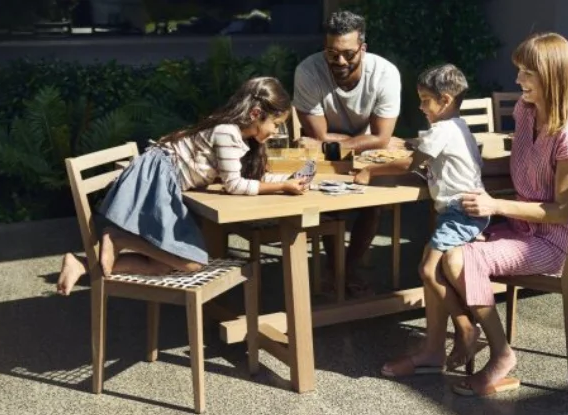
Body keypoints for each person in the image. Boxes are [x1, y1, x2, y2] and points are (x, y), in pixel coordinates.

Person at [380, 32, 568, 397]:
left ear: (552, 76)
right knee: (434, 260)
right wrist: (464, 167)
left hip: (551, 241)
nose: (518, 81)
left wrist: (494, 205)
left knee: (457, 259)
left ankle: (501, 353)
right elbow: (517, 165)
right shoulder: (527, 113)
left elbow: (561, 211)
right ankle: (433, 350)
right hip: (517, 229)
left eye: (527, 73)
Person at [56, 77, 309, 296]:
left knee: (165, 264)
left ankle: (82, 264)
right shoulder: (227, 133)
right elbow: (234, 184)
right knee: (191, 262)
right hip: (159, 179)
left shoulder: (236, 135)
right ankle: (118, 237)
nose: (276, 131)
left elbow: (246, 176)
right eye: (275, 124)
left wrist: (288, 180)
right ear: (255, 114)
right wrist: (283, 187)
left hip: (165, 180)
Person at [356, 63, 489, 372]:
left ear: (444, 100)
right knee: (430, 268)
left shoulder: (442, 130)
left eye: (425, 99)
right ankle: (460, 329)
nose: (420, 106)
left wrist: (368, 170)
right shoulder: (459, 126)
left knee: (428, 270)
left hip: (458, 213)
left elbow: (409, 165)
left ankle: (466, 327)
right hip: (465, 212)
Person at [293, 9, 406, 296]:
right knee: (330, 204)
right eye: (332, 54)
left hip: (362, 155)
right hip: (329, 155)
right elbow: (318, 136)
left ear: (363, 48)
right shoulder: (308, 71)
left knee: (372, 204)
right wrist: (370, 140)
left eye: (348, 54)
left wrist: (372, 141)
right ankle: (335, 268)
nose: (340, 61)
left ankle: (348, 267)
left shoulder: (385, 74)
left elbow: (379, 138)